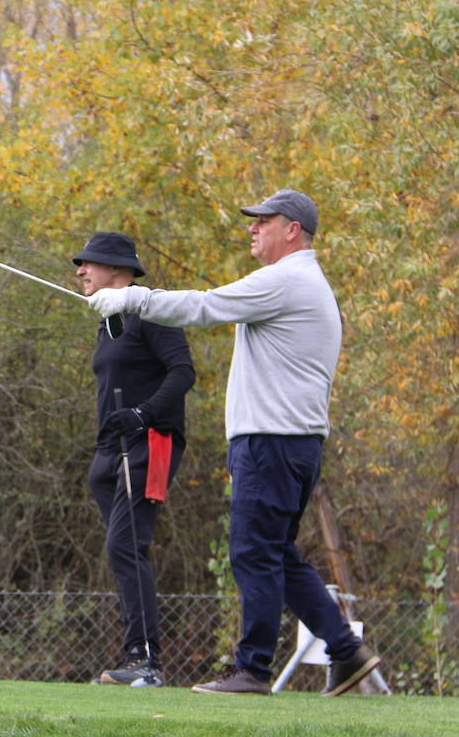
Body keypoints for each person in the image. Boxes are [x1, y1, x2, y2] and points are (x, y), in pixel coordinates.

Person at [87, 190, 380, 696]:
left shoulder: (286, 279)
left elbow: (207, 307)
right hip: (292, 442)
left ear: (292, 229)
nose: (252, 228)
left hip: (272, 441)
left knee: (251, 552)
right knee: (277, 554)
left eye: (262, 222)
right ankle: (345, 649)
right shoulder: (302, 281)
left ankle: (253, 669)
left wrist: (133, 298)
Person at [73, 232, 196, 688]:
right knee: (124, 548)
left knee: (126, 546)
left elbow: (184, 372)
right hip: (111, 453)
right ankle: (137, 656)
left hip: (151, 443)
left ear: (117, 270)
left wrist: (142, 415)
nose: (80, 271)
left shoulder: (151, 312)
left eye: (89, 264)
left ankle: (145, 662)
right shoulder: (108, 321)